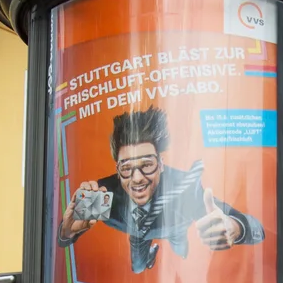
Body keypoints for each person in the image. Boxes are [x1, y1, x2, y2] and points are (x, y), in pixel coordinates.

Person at [58, 106, 264, 273]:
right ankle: (152, 254)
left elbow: (257, 229)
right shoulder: (104, 194)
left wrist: (235, 228)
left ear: (161, 164)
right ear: (118, 170)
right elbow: (68, 234)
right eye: (127, 168)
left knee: (181, 252)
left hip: (175, 229)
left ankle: (178, 249)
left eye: (147, 165)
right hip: (137, 235)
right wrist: (67, 231)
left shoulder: (184, 187)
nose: (137, 178)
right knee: (138, 268)